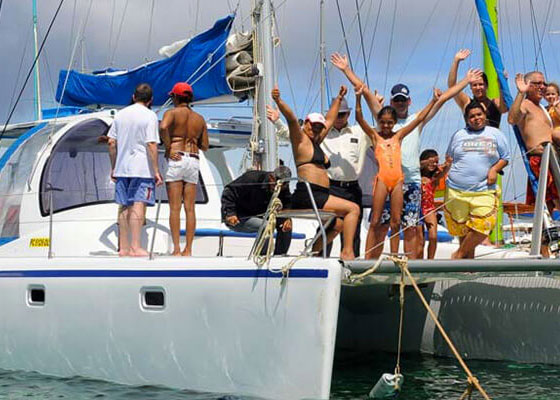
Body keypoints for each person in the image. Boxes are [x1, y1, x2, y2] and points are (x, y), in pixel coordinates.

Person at [331, 52, 482, 258]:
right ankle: (370, 261)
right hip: (387, 181)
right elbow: (365, 91)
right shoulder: (384, 120)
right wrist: (346, 70)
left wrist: (466, 80)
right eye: (396, 100)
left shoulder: (414, 121)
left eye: (403, 100)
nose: (400, 103)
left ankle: (409, 266)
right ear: (391, 102)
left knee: (410, 227)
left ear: (409, 101)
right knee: (379, 224)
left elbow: (444, 98)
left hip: (410, 181)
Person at [266, 96, 371, 258]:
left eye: (319, 127)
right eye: (313, 125)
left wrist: (339, 98)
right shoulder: (300, 140)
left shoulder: (317, 141)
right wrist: (279, 101)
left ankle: (311, 254)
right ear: (306, 124)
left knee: (338, 224)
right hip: (309, 194)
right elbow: (292, 119)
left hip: (321, 193)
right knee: (353, 209)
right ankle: (347, 253)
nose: (316, 129)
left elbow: (329, 120)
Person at [355, 86, 437, 256]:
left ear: (394, 123)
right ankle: (368, 257)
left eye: (390, 123)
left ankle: (395, 257)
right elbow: (360, 118)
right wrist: (357, 98)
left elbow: (419, 118)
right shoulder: (374, 136)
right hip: (382, 180)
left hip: (399, 180)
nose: (386, 125)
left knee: (396, 221)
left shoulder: (398, 136)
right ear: (379, 122)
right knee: (376, 221)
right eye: (383, 122)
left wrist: (434, 100)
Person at [445, 100, 510, 259]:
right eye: (472, 116)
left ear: (485, 115)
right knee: (462, 230)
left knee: (483, 227)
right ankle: (466, 267)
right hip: (456, 189)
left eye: (479, 114)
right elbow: (450, 157)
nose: (476, 118)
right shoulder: (458, 134)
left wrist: (494, 169)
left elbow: (505, 157)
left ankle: (458, 256)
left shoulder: (495, 134)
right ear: (467, 119)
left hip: (484, 190)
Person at [108, 83, 163, 257]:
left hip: (122, 168)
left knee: (124, 206)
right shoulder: (150, 116)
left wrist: (114, 167)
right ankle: (135, 247)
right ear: (150, 100)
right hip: (142, 169)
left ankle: (123, 248)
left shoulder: (120, 115)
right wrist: (156, 170)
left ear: (133, 97)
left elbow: (111, 142)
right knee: (138, 204)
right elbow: (151, 144)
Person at [160, 82, 209, 256]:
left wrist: (168, 147)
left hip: (177, 157)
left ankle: (176, 249)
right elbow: (205, 146)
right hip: (194, 159)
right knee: (190, 208)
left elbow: (163, 127)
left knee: (175, 207)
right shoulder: (199, 119)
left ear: (175, 97)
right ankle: (188, 249)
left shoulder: (171, 113)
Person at [508, 72, 560, 212]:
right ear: (528, 85)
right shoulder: (525, 104)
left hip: (554, 157)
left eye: (544, 83)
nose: (542, 87)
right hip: (541, 159)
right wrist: (520, 93)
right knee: (554, 203)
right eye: (538, 83)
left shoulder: (543, 108)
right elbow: (512, 119)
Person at [221, 166, 293, 255]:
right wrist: (230, 213)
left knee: (286, 225)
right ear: (271, 177)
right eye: (276, 184)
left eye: (284, 185)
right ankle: (261, 257)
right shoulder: (252, 178)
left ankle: (280, 256)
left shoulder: (283, 186)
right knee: (266, 226)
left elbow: (287, 202)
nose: (279, 188)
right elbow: (229, 191)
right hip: (239, 217)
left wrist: (287, 217)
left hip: (261, 215)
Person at [447, 49, 508, 128]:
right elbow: (452, 86)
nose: (478, 88)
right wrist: (456, 61)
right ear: (471, 88)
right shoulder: (467, 102)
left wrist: (501, 84)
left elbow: (504, 110)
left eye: (481, 84)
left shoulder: (495, 102)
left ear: (486, 86)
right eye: (474, 85)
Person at [418, 149, 451, 259]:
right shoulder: (416, 176)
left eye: (436, 162)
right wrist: (425, 162)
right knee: (420, 240)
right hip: (417, 208)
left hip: (429, 208)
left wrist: (448, 162)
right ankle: (419, 262)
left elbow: (445, 170)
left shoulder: (434, 177)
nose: (434, 164)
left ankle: (430, 260)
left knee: (433, 237)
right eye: (431, 162)